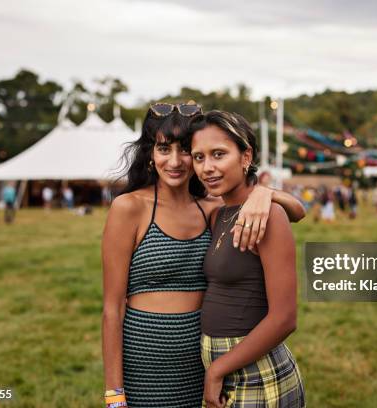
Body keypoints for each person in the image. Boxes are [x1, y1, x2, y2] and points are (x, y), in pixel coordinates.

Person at [102, 103, 305, 408]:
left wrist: (265, 193)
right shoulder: (128, 209)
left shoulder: (212, 210)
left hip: (201, 366)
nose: (175, 161)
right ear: (150, 154)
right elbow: (112, 308)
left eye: (185, 150)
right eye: (163, 148)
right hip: (144, 362)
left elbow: (297, 212)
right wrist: (114, 395)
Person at [189, 110, 305, 408]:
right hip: (225, 371)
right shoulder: (218, 213)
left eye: (218, 154)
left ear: (245, 157)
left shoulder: (267, 216)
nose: (207, 167)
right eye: (199, 157)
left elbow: (285, 318)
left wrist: (217, 369)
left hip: (256, 372)